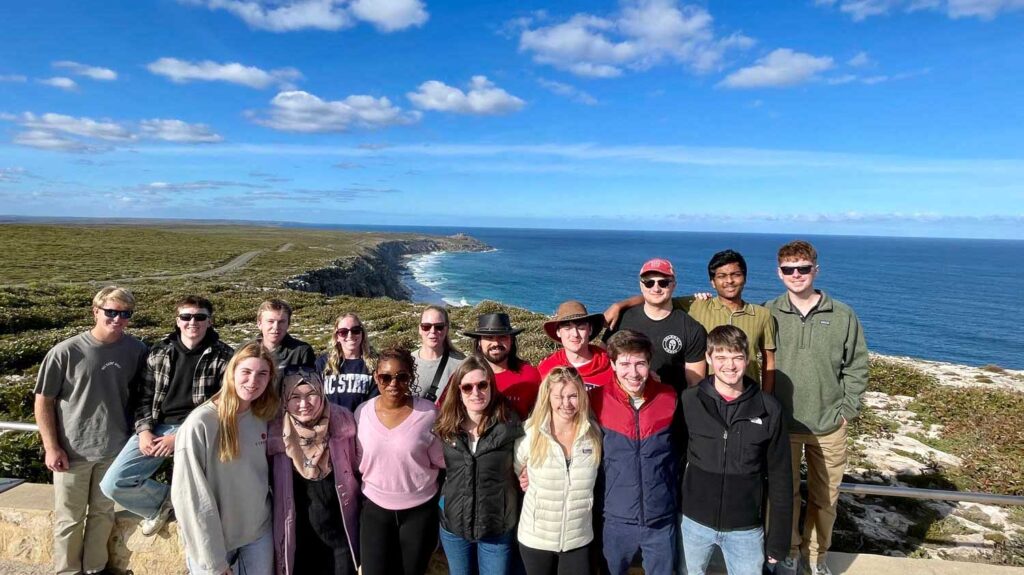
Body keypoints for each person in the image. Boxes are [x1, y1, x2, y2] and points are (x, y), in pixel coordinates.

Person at [766, 240, 868, 575]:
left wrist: (847, 410)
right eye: (788, 269)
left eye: (803, 268)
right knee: (785, 497)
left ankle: (817, 555)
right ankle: (791, 550)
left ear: (815, 270)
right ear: (779, 273)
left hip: (829, 427)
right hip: (783, 425)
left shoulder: (842, 314)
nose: (796, 274)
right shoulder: (769, 312)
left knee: (826, 500)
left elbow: (856, 364)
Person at [34, 286, 148, 575]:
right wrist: (51, 446)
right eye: (111, 312)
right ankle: (68, 571)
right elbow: (43, 401)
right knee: (69, 519)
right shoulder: (65, 352)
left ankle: (95, 569)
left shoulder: (137, 350)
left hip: (115, 449)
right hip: (72, 450)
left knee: (102, 514)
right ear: (95, 311)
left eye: (125, 314)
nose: (118, 319)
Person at [100, 295, 233, 537]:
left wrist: (181, 437)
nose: (193, 322)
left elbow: (224, 405)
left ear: (210, 321)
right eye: (186, 316)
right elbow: (144, 397)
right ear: (177, 320)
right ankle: (162, 502)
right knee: (113, 483)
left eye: (200, 317)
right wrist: (144, 431)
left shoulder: (225, 357)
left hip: (198, 430)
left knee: (203, 489)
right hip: (158, 427)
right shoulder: (159, 352)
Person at [677, 325, 792, 575]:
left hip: (746, 529)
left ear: (748, 359)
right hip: (693, 524)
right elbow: (674, 461)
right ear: (708, 358)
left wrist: (779, 540)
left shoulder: (769, 408)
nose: (729, 366)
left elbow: (781, 480)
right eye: (721, 357)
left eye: (737, 357)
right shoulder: (689, 401)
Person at [171, 342, 280, 575]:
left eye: (262, 374)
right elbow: (190, 498)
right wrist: (214, 563)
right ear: (232, 372)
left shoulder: (263, 416)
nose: (253, 382)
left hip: (258, 534)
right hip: (213, 544)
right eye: (246, 372)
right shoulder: (200, 423)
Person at [604, 250, 776, 391]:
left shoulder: (762, 315)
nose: (729, 281)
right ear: (712, 282)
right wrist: (619, 305)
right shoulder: (697, 305)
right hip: (708, 397)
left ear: (745, 277)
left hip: (746, 395)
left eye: (735, 275)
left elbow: (769, 362)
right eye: (721, 276)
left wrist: (766, 399)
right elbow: (656, 299)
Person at [592, 330, 679, 575]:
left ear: (649, 363)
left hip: (660, 517)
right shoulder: (596, 400)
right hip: (616, 517)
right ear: (612, 364)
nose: (633, 372)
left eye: (640, 363)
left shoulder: (670, 397)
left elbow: (679, 451)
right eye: (625, 364)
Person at [355, 347, 445, 575]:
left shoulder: (429, 414)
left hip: (419, 512)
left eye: (401, 377)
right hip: (375, 510)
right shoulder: (362, 412)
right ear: (376, 377)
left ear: (411, 378)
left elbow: (440, 459)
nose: (393, 384)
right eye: (385, 377)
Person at [435, 356, 524, 575]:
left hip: (496, 526)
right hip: (454, 526)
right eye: (467, 387)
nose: (476, 393)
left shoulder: (510, 423)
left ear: (491, 386)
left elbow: (529, 457)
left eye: (482, 385)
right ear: (458, 391)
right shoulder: (446, 426)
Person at [269, 366, 360, 575]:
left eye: (311, 394)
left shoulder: (343, 423)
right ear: (284, 397)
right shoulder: (275, 432)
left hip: (340, 536)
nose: (304, 404)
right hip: (298, 539)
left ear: (321, 393)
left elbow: (357, 469)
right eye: (295, 396)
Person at [515, 367, 602, 575]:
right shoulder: (530, 434)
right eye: (559, 396)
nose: (566, 403)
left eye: (573, 396)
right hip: (536, 539)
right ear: (548, 397)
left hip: (578, 539)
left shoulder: (593, 434)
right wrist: (522, 477)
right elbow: (516, 469)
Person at [602, 258, 706, 393]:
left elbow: (695, 384)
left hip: (672, 408)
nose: (656, 288)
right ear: (641, 285)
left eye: (663, 283)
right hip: (623, 405)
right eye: (649, 283)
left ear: (673, 285)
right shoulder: (622, 319)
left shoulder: (692, 329)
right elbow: (602, 360)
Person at [462, 312, 542, 419]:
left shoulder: (530, 375)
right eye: (489, 338)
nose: (496, 343)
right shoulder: (465, 376)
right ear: (479, 342)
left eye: (502, 337)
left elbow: (541, 417)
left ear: (512, 340)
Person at [537, 300, 613, 392]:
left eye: (581, 328)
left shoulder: (611, 365)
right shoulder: (547, 368)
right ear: (558, 332)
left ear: (590, 330)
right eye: (567, 328)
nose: (575, 334)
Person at [317, 312, 376, 410]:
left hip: (362, 423)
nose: (350, 335)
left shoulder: (374, 364)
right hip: (330, 423)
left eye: (355, 330)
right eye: (343, 332)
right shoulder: (322, 363)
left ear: (362, 333)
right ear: (337, 337)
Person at [253, 299, 315, 390]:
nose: (276, 327)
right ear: (259, 324)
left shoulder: (301, 352)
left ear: (288, 324)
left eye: (281, 322)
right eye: (270, 321)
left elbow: (308, 388)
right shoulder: (245, 351)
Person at [413, 305, 465, 403]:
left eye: (439, 327)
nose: (432, 331)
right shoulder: (407, 361)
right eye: (426, 327)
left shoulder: (460, 364)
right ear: (420, 329)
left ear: (446, 329)